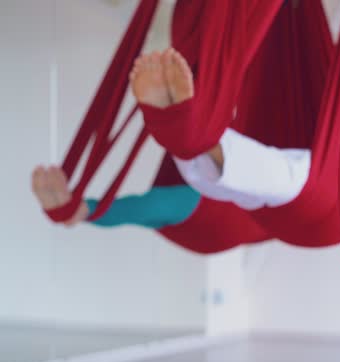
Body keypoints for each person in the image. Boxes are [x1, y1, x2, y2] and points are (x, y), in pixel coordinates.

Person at [32, 49, 310, 229]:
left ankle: (192, 132)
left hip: (241, 214)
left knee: (296, 181)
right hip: (248, 197)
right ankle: (193, 132)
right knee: (293, 179)